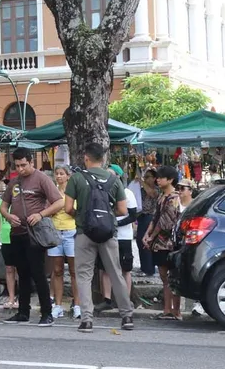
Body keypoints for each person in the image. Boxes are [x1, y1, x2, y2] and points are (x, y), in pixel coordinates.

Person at [65, 142, 133, 333]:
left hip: (84, 233)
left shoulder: (76, 178)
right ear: (103, 160)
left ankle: (87, 320)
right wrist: (106, 217)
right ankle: (127, 316)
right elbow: (122, 209)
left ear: (86, 158)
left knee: (84, 276)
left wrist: (83, 217)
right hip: (108, 233)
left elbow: (68, 208)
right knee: (115, 273)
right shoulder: (114, 180)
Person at [0, 147, 63, 326]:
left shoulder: (41, 178)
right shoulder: (14, 182)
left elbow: (59, 202)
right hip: (17, 233)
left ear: (31, 162)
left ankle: (46, 313)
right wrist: (8, 216)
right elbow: (3, 206)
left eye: (23, 165)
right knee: (22, 274)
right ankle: (23, 312)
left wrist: (41, 214)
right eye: (17, 166)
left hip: (34, 234)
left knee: (38, 273)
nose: (20, 169)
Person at [143, 165, 182, 320]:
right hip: (159, 242)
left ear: (170, 180)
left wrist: (151, 236)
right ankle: (167, 309)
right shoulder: (161, 197)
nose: (157, 180)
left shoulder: (174, 198)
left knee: (172, 277)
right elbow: (155, 218)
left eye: (160, 177)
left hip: (169, 242)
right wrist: (147, 234)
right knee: (164, 276)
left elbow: (166, 221)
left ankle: (176, 310)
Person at [100, 165, 137, 314]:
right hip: (107, 235)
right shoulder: (101, 191)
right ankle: (107, 299)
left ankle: (125, 300)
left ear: (118, 176)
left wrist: (115, 223)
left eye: (111, 174)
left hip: (123, 236)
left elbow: (133, 215)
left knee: (125, 269)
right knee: (105, 269)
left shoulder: (127, 193)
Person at [49, 165, 80, 320]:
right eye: (57, 174)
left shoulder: (74, 191)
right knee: (57, 270)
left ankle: (77, 305)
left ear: (68, 176)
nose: (59, 176)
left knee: (74, 271)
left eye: (62, 174)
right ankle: (58, 305)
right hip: (56, 231)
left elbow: (77, 211)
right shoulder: (52, 192)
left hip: (71, 231)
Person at [0, 189, 17, 309]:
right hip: (5, 237)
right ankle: (11, 297)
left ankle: (20, 297)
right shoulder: (1, 202)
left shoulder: (19, 201)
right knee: (9, 268)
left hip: (18, 235)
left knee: (20, 269)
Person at [135, 168, 158, 276]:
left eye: (148, 177)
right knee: (139, 241)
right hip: (141, 216)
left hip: (150, 217)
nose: (146, 179)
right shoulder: (142, 189)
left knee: (146, 242)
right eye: (145, 177)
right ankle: (144, 266)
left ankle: (149, 268)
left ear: (154, 178)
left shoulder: (156, 189)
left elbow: (151, 193)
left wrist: (141, 181)